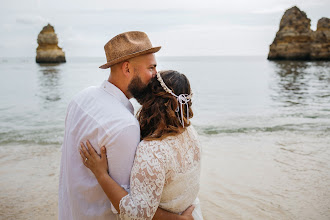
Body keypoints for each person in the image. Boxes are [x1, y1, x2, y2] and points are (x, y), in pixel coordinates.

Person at [59, 31, 194, 220]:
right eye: (151, 68)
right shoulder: (125, 125)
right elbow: (134, 207)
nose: (156, 76)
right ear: (127, 68)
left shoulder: (80, 98)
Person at [80, 70, 203, 220]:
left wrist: (101, 174)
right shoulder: (190, 131)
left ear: (151, 100)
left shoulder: (152, 150)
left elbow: (137, 215)